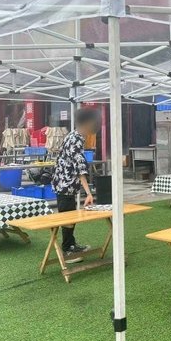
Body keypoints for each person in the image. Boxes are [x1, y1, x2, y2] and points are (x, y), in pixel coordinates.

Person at [52, 108, 99, 263]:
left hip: (65, 184)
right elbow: (80, 168)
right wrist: (89, 193)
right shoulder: (76, 139)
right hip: (65, 185)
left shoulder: (74, 136)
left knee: (69, 216)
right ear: (86, 123)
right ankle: (67, 250)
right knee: (68, 218)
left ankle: (71, 244)